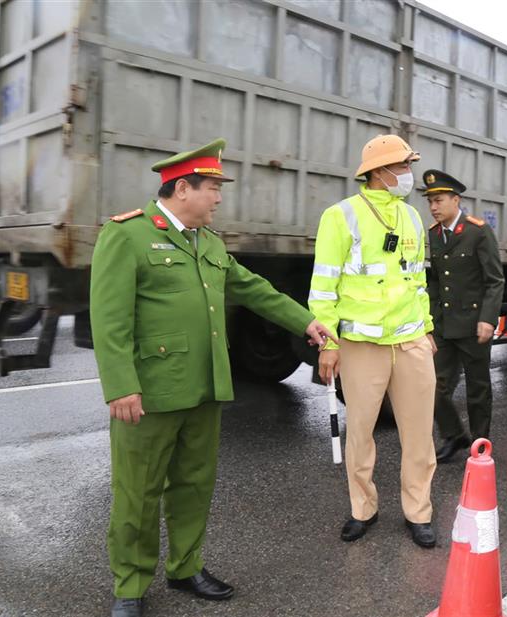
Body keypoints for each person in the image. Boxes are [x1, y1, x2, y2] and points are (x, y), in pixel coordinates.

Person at [90, 138, 334, 617]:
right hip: (152, 393)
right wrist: (120, 385)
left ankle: (185, 567)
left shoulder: (210, 242)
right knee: (138, 493)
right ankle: (131, 586)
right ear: (183, 188)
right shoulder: (128, 235)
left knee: (194, 484)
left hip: (205, 388)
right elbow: (109, 318)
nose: (219, 198)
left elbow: (254, 290)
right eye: (213, 188)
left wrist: (305, 321)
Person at [308, 134, 439, 548]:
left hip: (412, 341)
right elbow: (324, 287)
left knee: (419, 433)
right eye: (402, 167)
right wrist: (329, 344)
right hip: (361, 345)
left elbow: (417, 279)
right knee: (361, 432)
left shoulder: (413, 217)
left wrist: (428, 328)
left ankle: (419, 512)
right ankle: (363, 509)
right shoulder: (340, 216)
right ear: (379, 172)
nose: (408, 175)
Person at [422, 169, 505, 463]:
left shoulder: (477, 231)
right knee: (432, 385)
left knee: (477, 390)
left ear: (456, 200)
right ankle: (454, 435)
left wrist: (488, 319)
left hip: (473, 325)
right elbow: (433, 281)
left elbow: (495, 279)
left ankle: (481, 444)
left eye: (439, 200)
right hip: (443, 326)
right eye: (430, 201)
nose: (433, 207)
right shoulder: (433, 234)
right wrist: (428, 321)